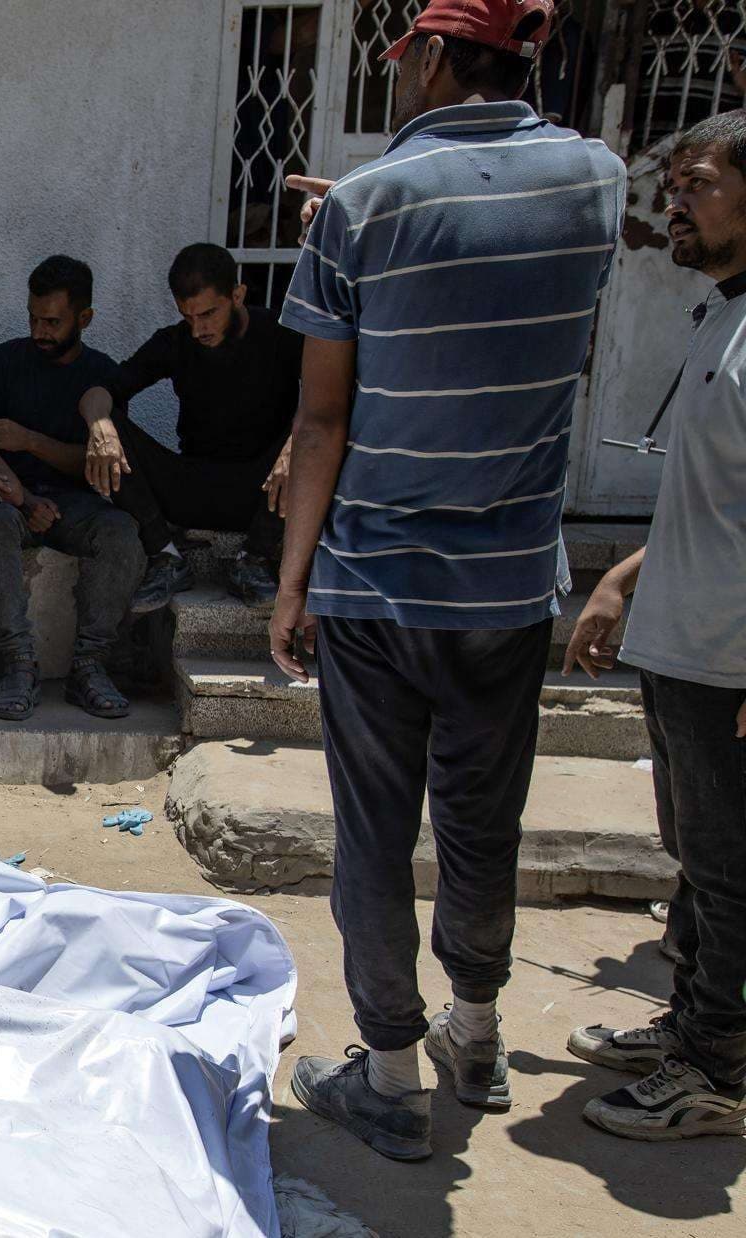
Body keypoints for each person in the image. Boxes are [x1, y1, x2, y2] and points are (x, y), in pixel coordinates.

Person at [271, 0, 625, 1160]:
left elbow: (323, 422)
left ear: (429, 56)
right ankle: (476, 1035)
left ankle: (386, 1073)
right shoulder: (597, 182)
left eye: (400, 67)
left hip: (379, 583)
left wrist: (291, 588)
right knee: (483, 822)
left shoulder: (364, 207)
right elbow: (506, 293)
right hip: (511, 586)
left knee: (376, 834)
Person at [561, 111, 746, 1142]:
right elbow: (714, 496)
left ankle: (716, 1068)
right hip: (687, 643)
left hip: (731, 658)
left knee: (731, 866)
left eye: (702, 185)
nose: (676, 204)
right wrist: (623, 579)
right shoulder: (721, 314)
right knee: (699, 854)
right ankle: (694, 1026)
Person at [83, 242, 301, 611]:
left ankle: (255, 560)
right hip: (192, 488)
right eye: (187, 317)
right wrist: (99, 426)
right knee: (100, 424)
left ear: (238, 294)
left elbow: (328, 401)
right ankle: (166, 555)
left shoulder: (280, 335)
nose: (198, 329)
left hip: (265, 491)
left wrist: (294, 450)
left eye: (208, 314)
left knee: (315, 438)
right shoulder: (175, 342)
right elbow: (99, 392)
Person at [0, 255, 143, 722]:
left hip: (76, 503)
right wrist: (25, 498)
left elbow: (100, 462)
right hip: (8, 498)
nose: (40, 331)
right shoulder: (4, 362)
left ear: (85, 319)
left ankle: (89, 667)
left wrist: (30, 440)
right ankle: (17, 664)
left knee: (122, 533)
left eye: (52, 321)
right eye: (34, 318)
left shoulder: (102, 375)